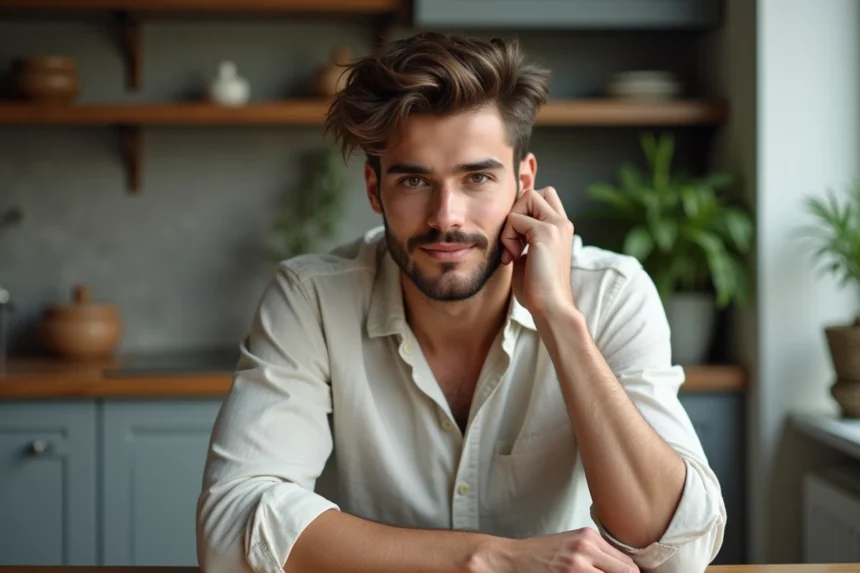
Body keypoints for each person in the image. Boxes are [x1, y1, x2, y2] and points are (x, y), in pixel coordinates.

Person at [196, 32, 726, 573]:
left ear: (524, 183)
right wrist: (489, 559)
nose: (446, 216)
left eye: (477, 177)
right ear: (375, 190)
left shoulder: (610, 292)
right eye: (414, 180)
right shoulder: (311, 299)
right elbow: (231, 525)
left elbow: (679, 550)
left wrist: (560, 319)